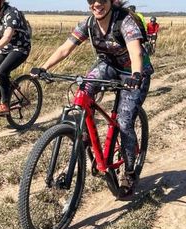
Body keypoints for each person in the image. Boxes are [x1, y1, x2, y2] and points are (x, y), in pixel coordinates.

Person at [32, 0, 153, 196]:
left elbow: (135, 51)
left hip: (134, 73)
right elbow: (65, 48)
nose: (97, 4)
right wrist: (44, 67)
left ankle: (130, 172)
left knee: (124, 121)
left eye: (102, 0)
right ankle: (83, 132)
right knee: (82, 92)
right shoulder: (88, 24)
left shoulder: (124, 22)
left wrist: (137, 74)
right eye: (91, 0)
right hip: (109, 66)